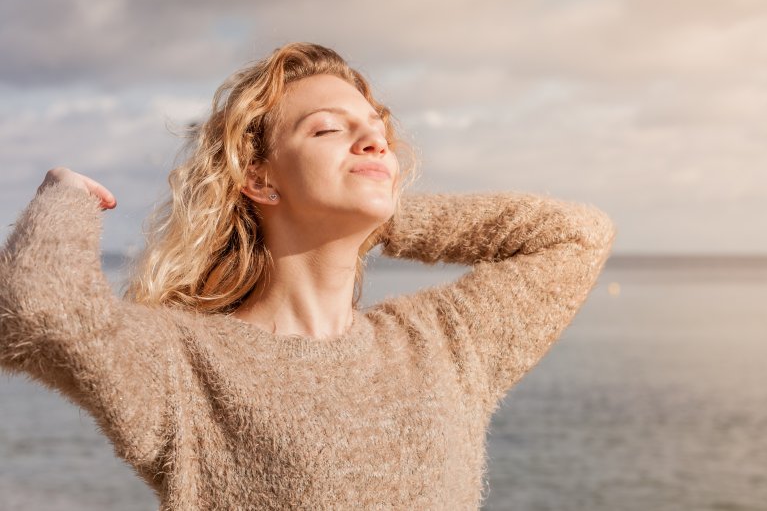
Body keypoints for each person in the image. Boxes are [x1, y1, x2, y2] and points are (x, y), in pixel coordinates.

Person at [0, 42, 617, 510]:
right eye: (328, 129)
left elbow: (576, 235)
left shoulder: (443, 343)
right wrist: (67, 195)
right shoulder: (185, 365)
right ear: (260, 178)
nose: (373, 139)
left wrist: (384, 213)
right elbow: (34, 312)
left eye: (377, 131)